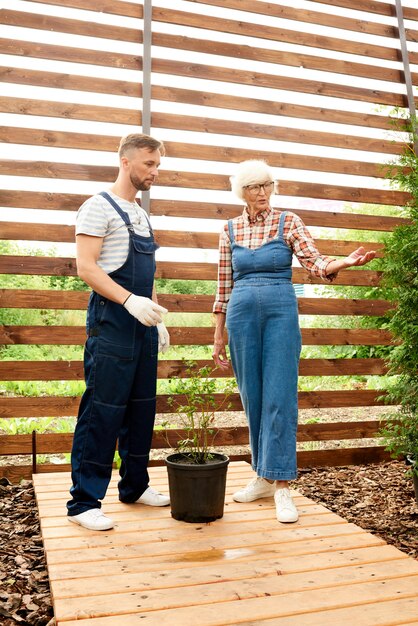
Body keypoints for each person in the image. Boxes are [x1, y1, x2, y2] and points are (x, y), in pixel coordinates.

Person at [212, 159, 376, 524]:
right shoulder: (229, 229)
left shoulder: (288, 221)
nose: (264, 193)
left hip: (279, 313)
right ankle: (263, 476)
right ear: (242, 191)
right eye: (256, 187)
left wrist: (342, 264)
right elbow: (223, 285)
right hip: (239, 316)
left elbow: (313, 262)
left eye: (268, 185)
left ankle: (283, 483)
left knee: (279, 394)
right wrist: (217, 334)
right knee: (251, 395)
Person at [67, 133, 171, 531]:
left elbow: (148, 273)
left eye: (158, 164)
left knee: (142, 407)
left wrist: (156, 314)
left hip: (143, 325)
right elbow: (87, 268)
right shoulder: (97, 207)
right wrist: (129, 302)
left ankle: (135, 485)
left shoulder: (140, 213)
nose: (155, 172)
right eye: (149, 164)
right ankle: (83, 501)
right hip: (112, 322)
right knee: (103, 410)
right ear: (126, 162)